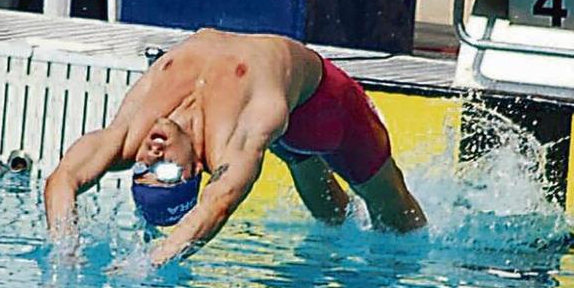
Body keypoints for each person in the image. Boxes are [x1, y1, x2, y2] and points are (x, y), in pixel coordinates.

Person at [44, 28, 427, 267]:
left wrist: (65, 248)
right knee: (388, 210)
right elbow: (218, 203)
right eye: (164, 173)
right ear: (196, 171)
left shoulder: (131, 136)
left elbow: (64, 178)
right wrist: (155, 260)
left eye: (143, 170)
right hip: (323, 113)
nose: (151, 156)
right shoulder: (230, 143)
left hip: (296, 101)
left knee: (356, 205)